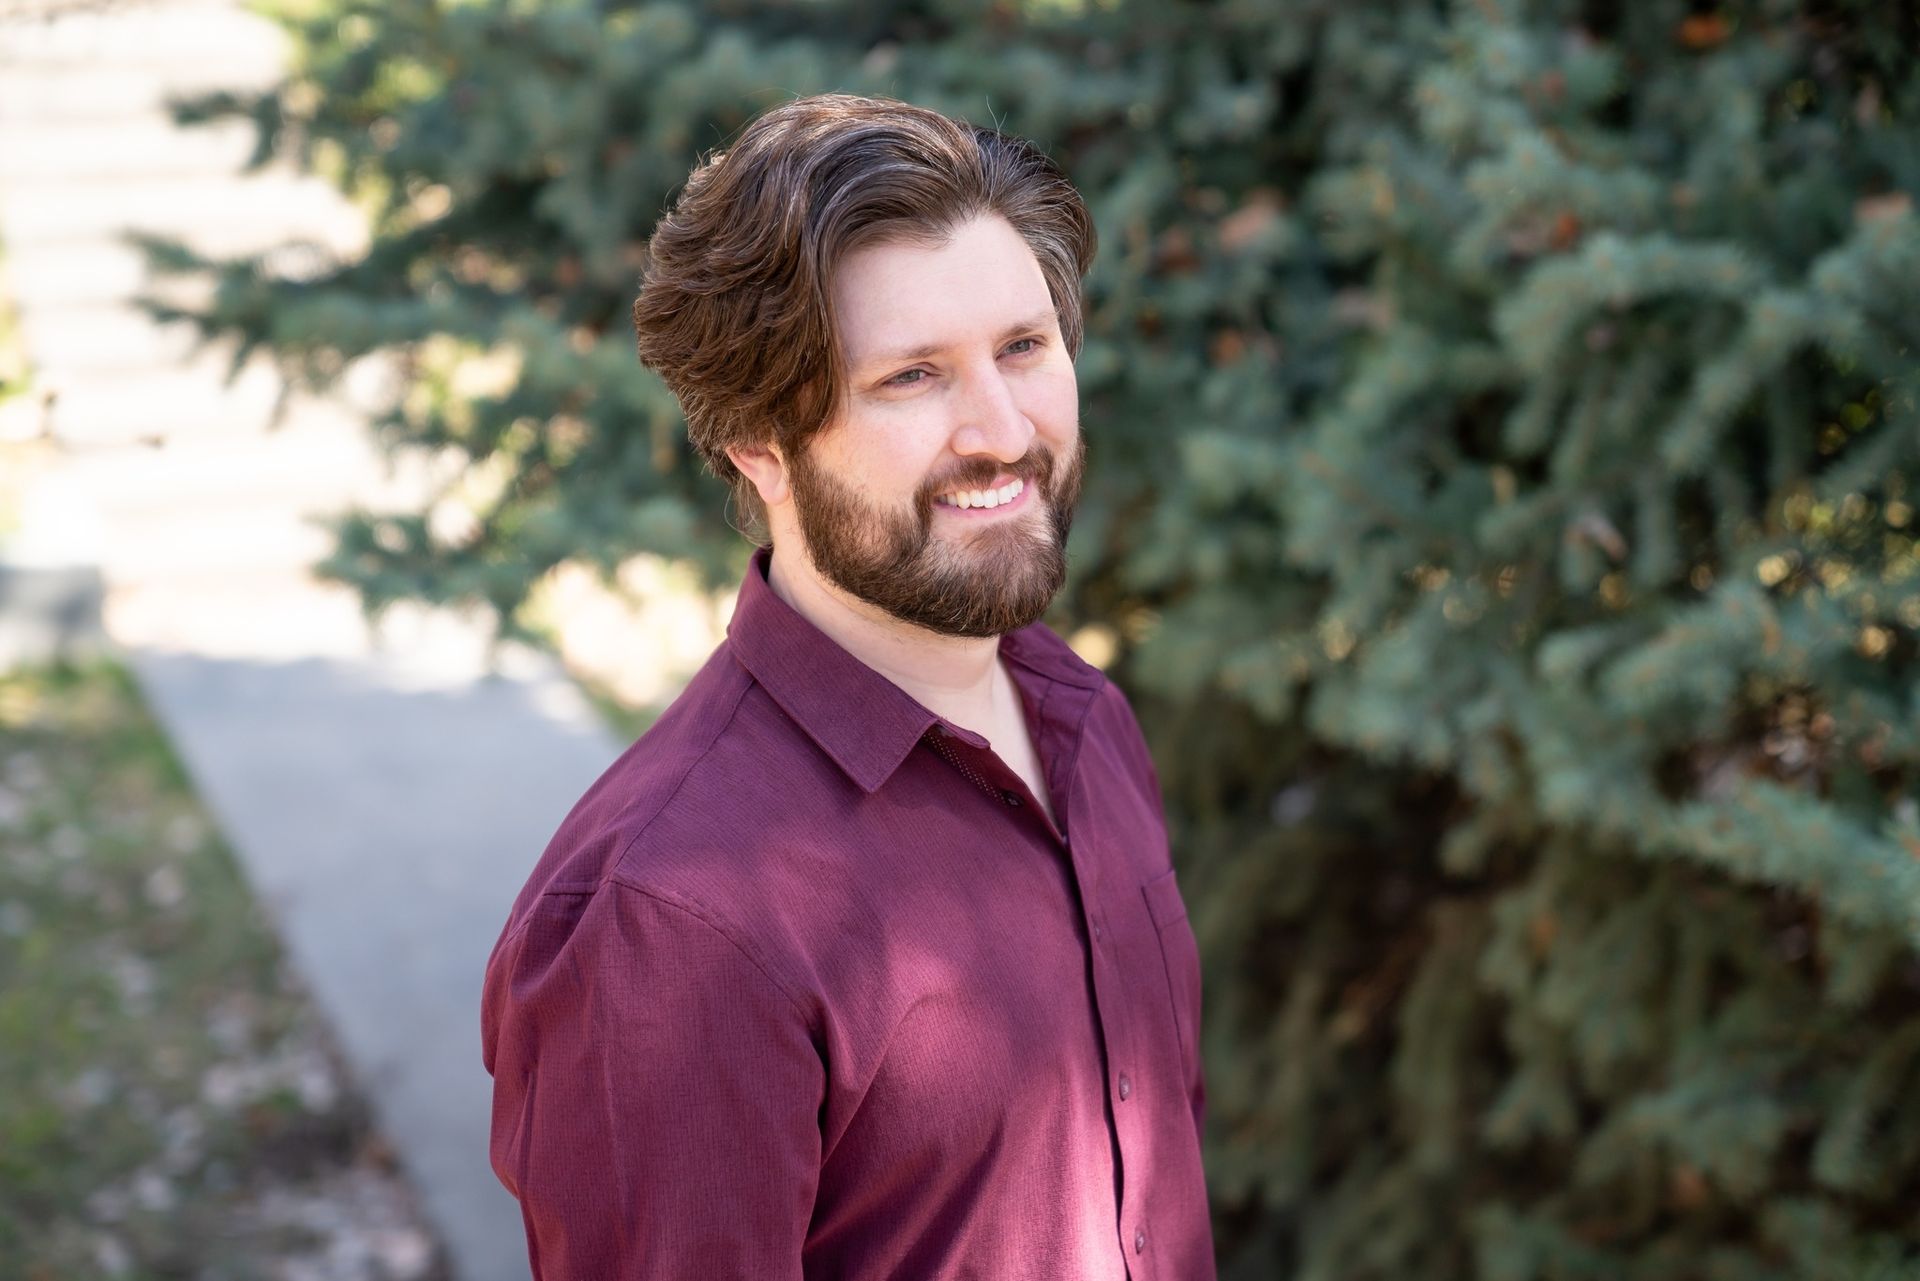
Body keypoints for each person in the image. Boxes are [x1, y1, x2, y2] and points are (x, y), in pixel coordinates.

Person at [482, 92, 1213, 1280]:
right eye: (912, 377)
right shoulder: (672, 923)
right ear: (761, 444)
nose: (1001, 431)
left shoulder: (1083, 720)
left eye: (1024, 349)